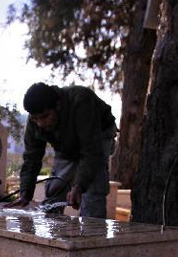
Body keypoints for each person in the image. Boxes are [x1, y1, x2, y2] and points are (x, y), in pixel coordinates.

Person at [7, 82, 117, 218]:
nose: (40, 123)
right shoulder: (34, 121)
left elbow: (91, 151)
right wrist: (26, 193)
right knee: (56, 186)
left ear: (58, 105)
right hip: (66, 142)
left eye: (45, 116)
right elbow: (31, 158)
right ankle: (51, 232)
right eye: (36, 119)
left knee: (93, 187)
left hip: (98, 134)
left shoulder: (81, 101)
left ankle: (92, 232)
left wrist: (79, 186)